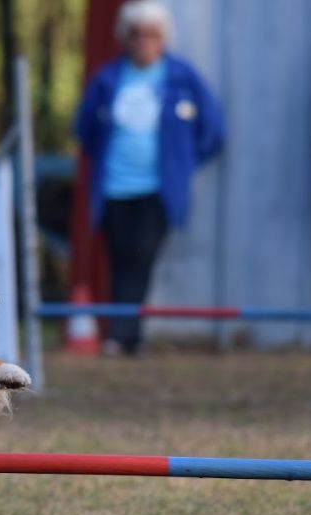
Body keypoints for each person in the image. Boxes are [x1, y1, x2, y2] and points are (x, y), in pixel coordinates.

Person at [75, 0, 224, 356]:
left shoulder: (182, 77)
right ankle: (129, 336)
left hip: (157, 190)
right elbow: (85, 128)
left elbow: (214, 130)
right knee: (119, 257)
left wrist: (184, 163)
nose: (143, 41)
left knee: (141, 257)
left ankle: (122, 333)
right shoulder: (108, 78)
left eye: (151, 35)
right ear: (125, 37)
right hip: (113, 187)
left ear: (163, 38)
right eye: (136, 34)